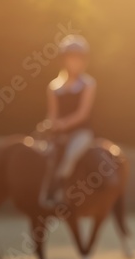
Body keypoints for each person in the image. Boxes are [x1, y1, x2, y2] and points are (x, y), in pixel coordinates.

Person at [40, 34, 97, 206]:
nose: (75, 62)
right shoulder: (54, 86)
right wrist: (50, 124)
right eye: (71, 58)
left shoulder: (88, 84)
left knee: (71, 154)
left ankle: (60, 189)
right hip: (59, 132)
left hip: (81, 132)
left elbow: (83, 114)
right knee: (42, 153)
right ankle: (41, 190)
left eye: (78, 59)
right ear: (64, 60)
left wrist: (62, 124)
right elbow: (52, 113)